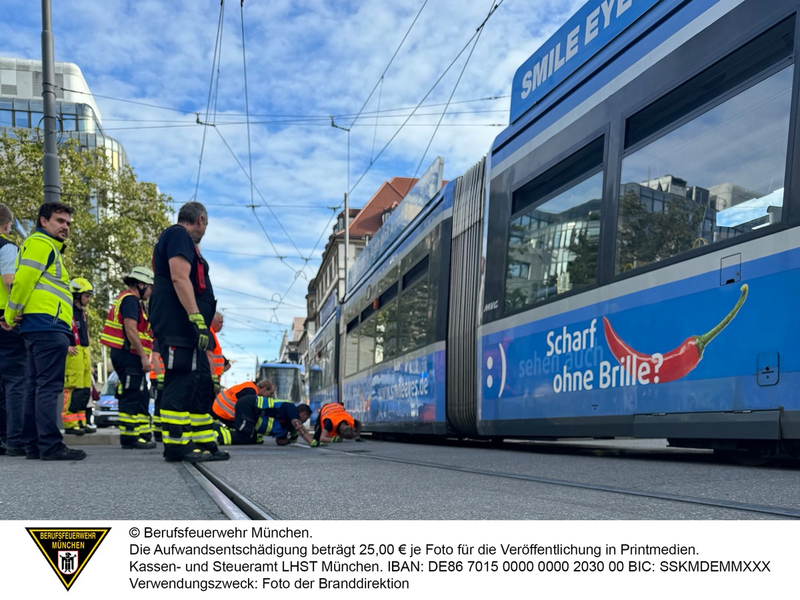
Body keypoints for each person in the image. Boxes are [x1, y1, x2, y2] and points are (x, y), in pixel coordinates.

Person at [2, 202, 85, 461]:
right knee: (48, 386)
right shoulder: (41, 244)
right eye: (60, 221)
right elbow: (22, 281)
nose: (65, 227)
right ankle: (49, 445)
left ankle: (33, 444)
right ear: (43, 221)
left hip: (40, 326)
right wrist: (9, 316)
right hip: (48, 325)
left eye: (68, 223)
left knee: (34, 385)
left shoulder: (46, 247)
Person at [149, 201, 228, 463]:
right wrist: (196, 318)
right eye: (205, 225)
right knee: (180, 379)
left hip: (188, 328)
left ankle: (205, 441)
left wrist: (204, 319)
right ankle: (175, 445)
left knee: (201, 382)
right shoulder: (178, 235)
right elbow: (180, 278)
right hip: (179, 324)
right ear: (201, 220)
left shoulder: (182, 241)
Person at [100, 267, 156, 449]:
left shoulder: (130, 301)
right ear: (141, 285)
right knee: (132, 394)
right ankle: (130, 437)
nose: (151, 291)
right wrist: (143, 357)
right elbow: (131, 329)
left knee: (140, 393)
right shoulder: (130, 300)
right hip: (129, 354)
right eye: (149, 287)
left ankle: (141, 433)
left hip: (127, 354)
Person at [0, 203, 27, 457]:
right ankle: (15, 439)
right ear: (7, 226)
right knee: (15, 380)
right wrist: (13, 313)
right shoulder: (7, 246)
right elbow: (9, 281)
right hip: (3, 320)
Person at [62, 278, 95, 436]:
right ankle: (70, 422)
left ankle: (81, 421)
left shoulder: (81, 313)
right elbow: (62, 330)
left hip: (84, 352)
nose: (88, 299)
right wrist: (66, 346)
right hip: (73, 352)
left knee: (84, 390)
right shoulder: (67, 311)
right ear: (77, 295)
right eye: (86, 296)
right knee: (73, 388)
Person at [214, 395, 314, 446]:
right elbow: (298, 424)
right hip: (250, 406)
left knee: (251, 438)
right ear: (303, 413)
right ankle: (216, 436)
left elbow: (279, 441)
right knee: (246, 436)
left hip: (251, 413)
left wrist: (289, 440)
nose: (305, 421)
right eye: (306, 418)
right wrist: (311, 442)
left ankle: (215, 429)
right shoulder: (291, 409)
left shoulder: (286, 426)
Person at [207, 312, 225, 394]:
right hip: (210, 378)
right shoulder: (209, 333)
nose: (222, 325)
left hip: (212, 377)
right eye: (220, 322)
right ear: (212, 320)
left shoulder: (212, 334)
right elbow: (209, 355)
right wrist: (213, 377)